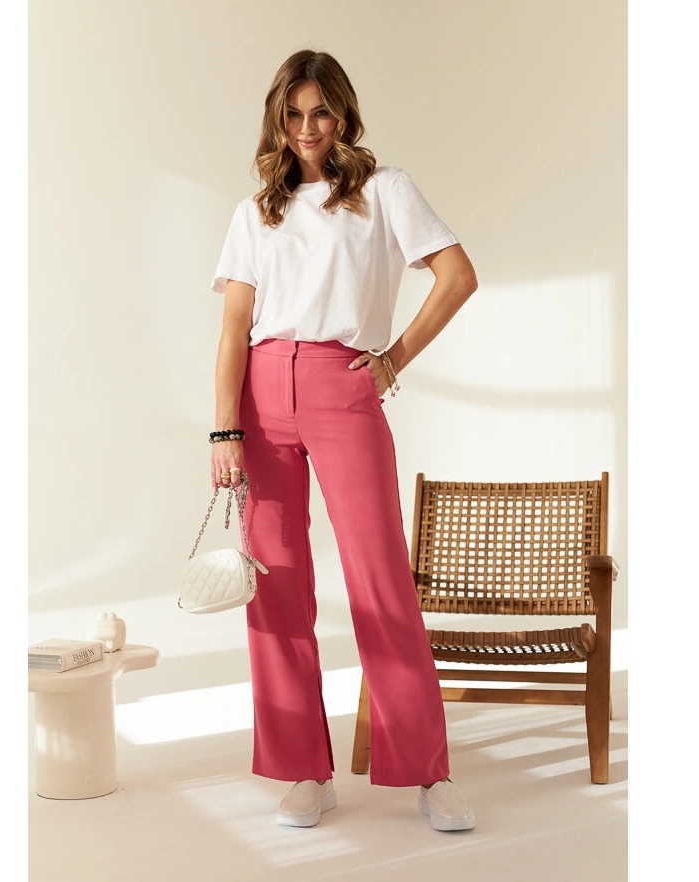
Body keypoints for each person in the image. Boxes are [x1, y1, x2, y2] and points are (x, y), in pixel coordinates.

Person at [208, 49, 479, 832]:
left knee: (380, 577)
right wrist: (225, 428)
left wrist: (393, 358)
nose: (307, 128)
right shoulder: (255, 210)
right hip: (262, 395)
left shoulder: (384, 190)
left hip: (342, 384)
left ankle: (429, 772)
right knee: (277, 584)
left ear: (343, 113)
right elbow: (233, 328)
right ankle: (306, 771)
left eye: (321, 112)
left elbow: (457, 275)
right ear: (277, 120)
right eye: (293, 115)